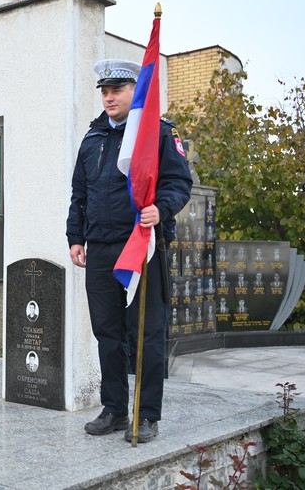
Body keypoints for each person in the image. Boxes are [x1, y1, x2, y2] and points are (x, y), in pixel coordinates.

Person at [67, 59, 192, 444]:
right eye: (104, 91)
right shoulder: (93, 137)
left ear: (133, 92)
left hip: (141, 245)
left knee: (147, 334)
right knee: (108, 334)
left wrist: (162, 208)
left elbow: (178, 182)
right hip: (101, 248)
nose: (108, 97)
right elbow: (80, 193)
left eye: (116, 90)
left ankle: (147, 416)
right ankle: (116, 410)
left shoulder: (154, 132)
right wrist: (75, 237)